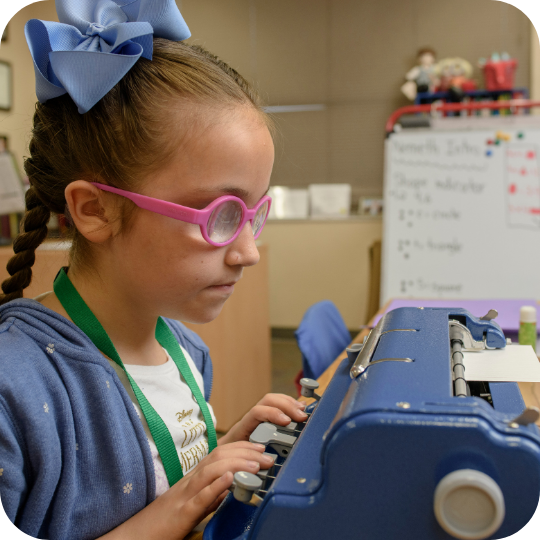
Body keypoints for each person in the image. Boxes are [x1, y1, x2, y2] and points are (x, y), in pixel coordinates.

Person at [0, 2, 308, 539]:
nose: (248, 253)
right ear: (95, 210)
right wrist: (185, 500)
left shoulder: (187, 350)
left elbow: (162, 474)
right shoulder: (16, 393)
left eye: (255, 215)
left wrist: (228, 450)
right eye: (221, 216)